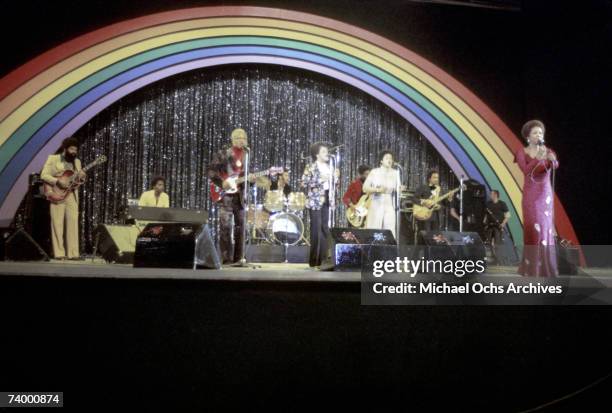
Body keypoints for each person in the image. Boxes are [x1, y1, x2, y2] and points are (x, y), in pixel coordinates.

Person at [514, 119, 559, 276]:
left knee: (545, 228)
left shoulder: (547, 151)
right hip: (531, 194)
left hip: (545, 194)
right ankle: (532, 268)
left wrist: (552, 160)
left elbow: (554, 165)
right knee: (533, 226)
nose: (538, 135)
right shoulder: (522, 152)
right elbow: (526, 170)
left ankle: (546, 268)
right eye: (535, 132)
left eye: (540, 132)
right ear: (528, 136)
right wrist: (536, 158)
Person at [208, 128, 255, 264]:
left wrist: (250, 180)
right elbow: (211, 171)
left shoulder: (247, 155)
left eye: (244, 137)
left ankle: (239, 258)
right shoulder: (224, 154)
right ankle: (226, 259)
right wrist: (222, 182)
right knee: (225, 227)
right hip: (225, 196)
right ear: (233, 139)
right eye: (239, 137)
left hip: (240, 196)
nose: (242, 140)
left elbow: (245, 177)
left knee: (241, 227)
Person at [41, 137, 86, 260]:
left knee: (73, 223)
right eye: (71, 149)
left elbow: (77, 180)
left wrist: (82, 177)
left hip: (71, 194)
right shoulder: (53, 158)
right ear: (65, 148)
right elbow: (44, 175)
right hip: (57, 193)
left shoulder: (77, 162)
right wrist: (57, 181)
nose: (73, 152)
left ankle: (73, 254)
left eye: (75, 150)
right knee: (57, 223)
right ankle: (59, 253)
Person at [301, 142, 337, 268]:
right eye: (323, 151)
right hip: (315, 200)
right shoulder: (311, 167)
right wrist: (320, 179)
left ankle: (323, 260)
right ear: (317, 154)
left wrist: (335, 179)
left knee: (325, 229)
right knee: (316, 229)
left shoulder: (330, 166)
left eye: (326, 151)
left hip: (327, 198)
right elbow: (304, 183)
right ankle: (314, 260)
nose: (326, 153)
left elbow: (333, 184)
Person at [362, 151, 401, 237]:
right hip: (376, 201)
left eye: (391, 158)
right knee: (374, 227)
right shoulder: (375, 172)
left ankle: (389, 248)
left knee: (389, 227)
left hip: (389, 202)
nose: (389, 160)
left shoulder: (395, 173)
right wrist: (377, 189)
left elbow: (397, 188)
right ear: (381, 161)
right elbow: (365, 188)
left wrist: (400, 189)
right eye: (387, 158)